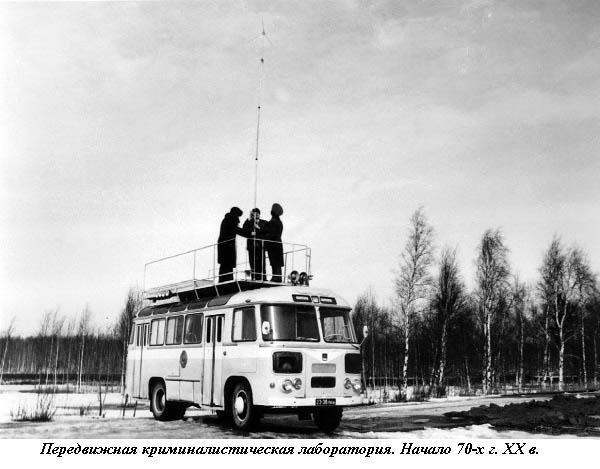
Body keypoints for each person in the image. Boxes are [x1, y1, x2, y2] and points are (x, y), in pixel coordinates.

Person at [217, 207, 245, 282]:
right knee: (227, 265)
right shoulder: (231, 220)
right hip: (227, 246)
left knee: (224, 265)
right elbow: (239, 231)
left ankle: (223, 281)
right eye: (238, 216)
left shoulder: (227, 219)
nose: (238, 219)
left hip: (224, 246)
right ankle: (227, 281)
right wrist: (250, 233)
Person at [242, 208, 267, 280]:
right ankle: (254, 278)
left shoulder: (264, 222)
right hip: (251, 247)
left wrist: (258, 228)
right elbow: (244, 230)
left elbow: (266, 232)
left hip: (260, 246)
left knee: (262, 264)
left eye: (257, 213)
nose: (256, 215)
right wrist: (249, 218)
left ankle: (263, 278)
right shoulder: (249, 222)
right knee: (252, 263)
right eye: (254, 213)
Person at [264, 203, 284, 282]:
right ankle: (277, 277)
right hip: (277, 244)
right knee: (276, 262)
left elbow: (270, 234)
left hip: (273, 245)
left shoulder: (274, 222)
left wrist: (265, 241)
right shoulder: (278, 222)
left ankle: (276, 277)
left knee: (275, 262)